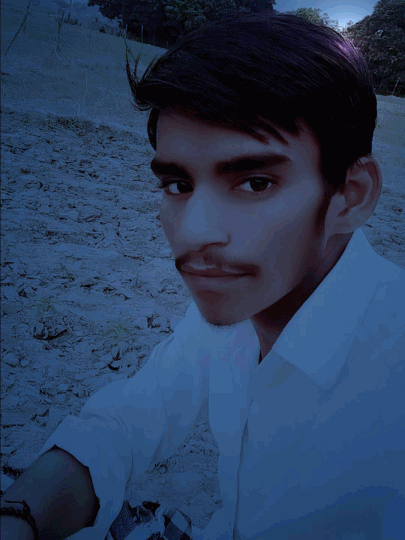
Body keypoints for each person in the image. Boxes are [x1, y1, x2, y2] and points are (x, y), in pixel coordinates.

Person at [1, 11, 404, 540]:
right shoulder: (241, 304)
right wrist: (20, 517)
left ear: (351, 197)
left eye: (255, 183)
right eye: (177, 184)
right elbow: (132, 418)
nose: (193, 233)